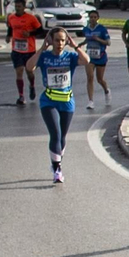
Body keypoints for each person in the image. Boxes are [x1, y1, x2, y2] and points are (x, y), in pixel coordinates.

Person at [27, 27, 83, 183]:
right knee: (56, 134)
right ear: (51, 41)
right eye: (57, 40)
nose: (60, 43)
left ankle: (56, 161)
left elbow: (86, 61)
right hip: (48, 101)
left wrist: (75, 46)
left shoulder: (70, 56)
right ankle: (57, 169)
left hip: (67, 102)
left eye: (63, 40)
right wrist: (41, 48)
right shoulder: (44, 57)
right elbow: (29, 67)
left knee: (62, 137)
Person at [6, 0, 43, 106]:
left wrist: (30, 34)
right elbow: (10, 28)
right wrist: (8, 36)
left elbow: (40, 31)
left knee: (29, 72)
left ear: (24, 7)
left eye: (19, 7)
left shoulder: (31, 18)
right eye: (16, 7)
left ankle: (32, 85)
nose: (17, 9)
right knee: (19, 72)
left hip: (29, 50)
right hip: (16, 49)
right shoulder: (11, 17)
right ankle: (21, 96)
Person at [81, 9, 112, 111]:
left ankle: (106, 90)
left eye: (95, 17)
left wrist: (98, 39)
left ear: (98, 18)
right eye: (91, 17)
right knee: (90, 77)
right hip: (90, 57)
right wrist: (79, 45)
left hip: (101, 56)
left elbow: (108, 43)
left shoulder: (102, 29)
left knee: (100, 79)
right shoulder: (86, 29)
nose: (93, 19)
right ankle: (90, 101)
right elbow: (87, 39)